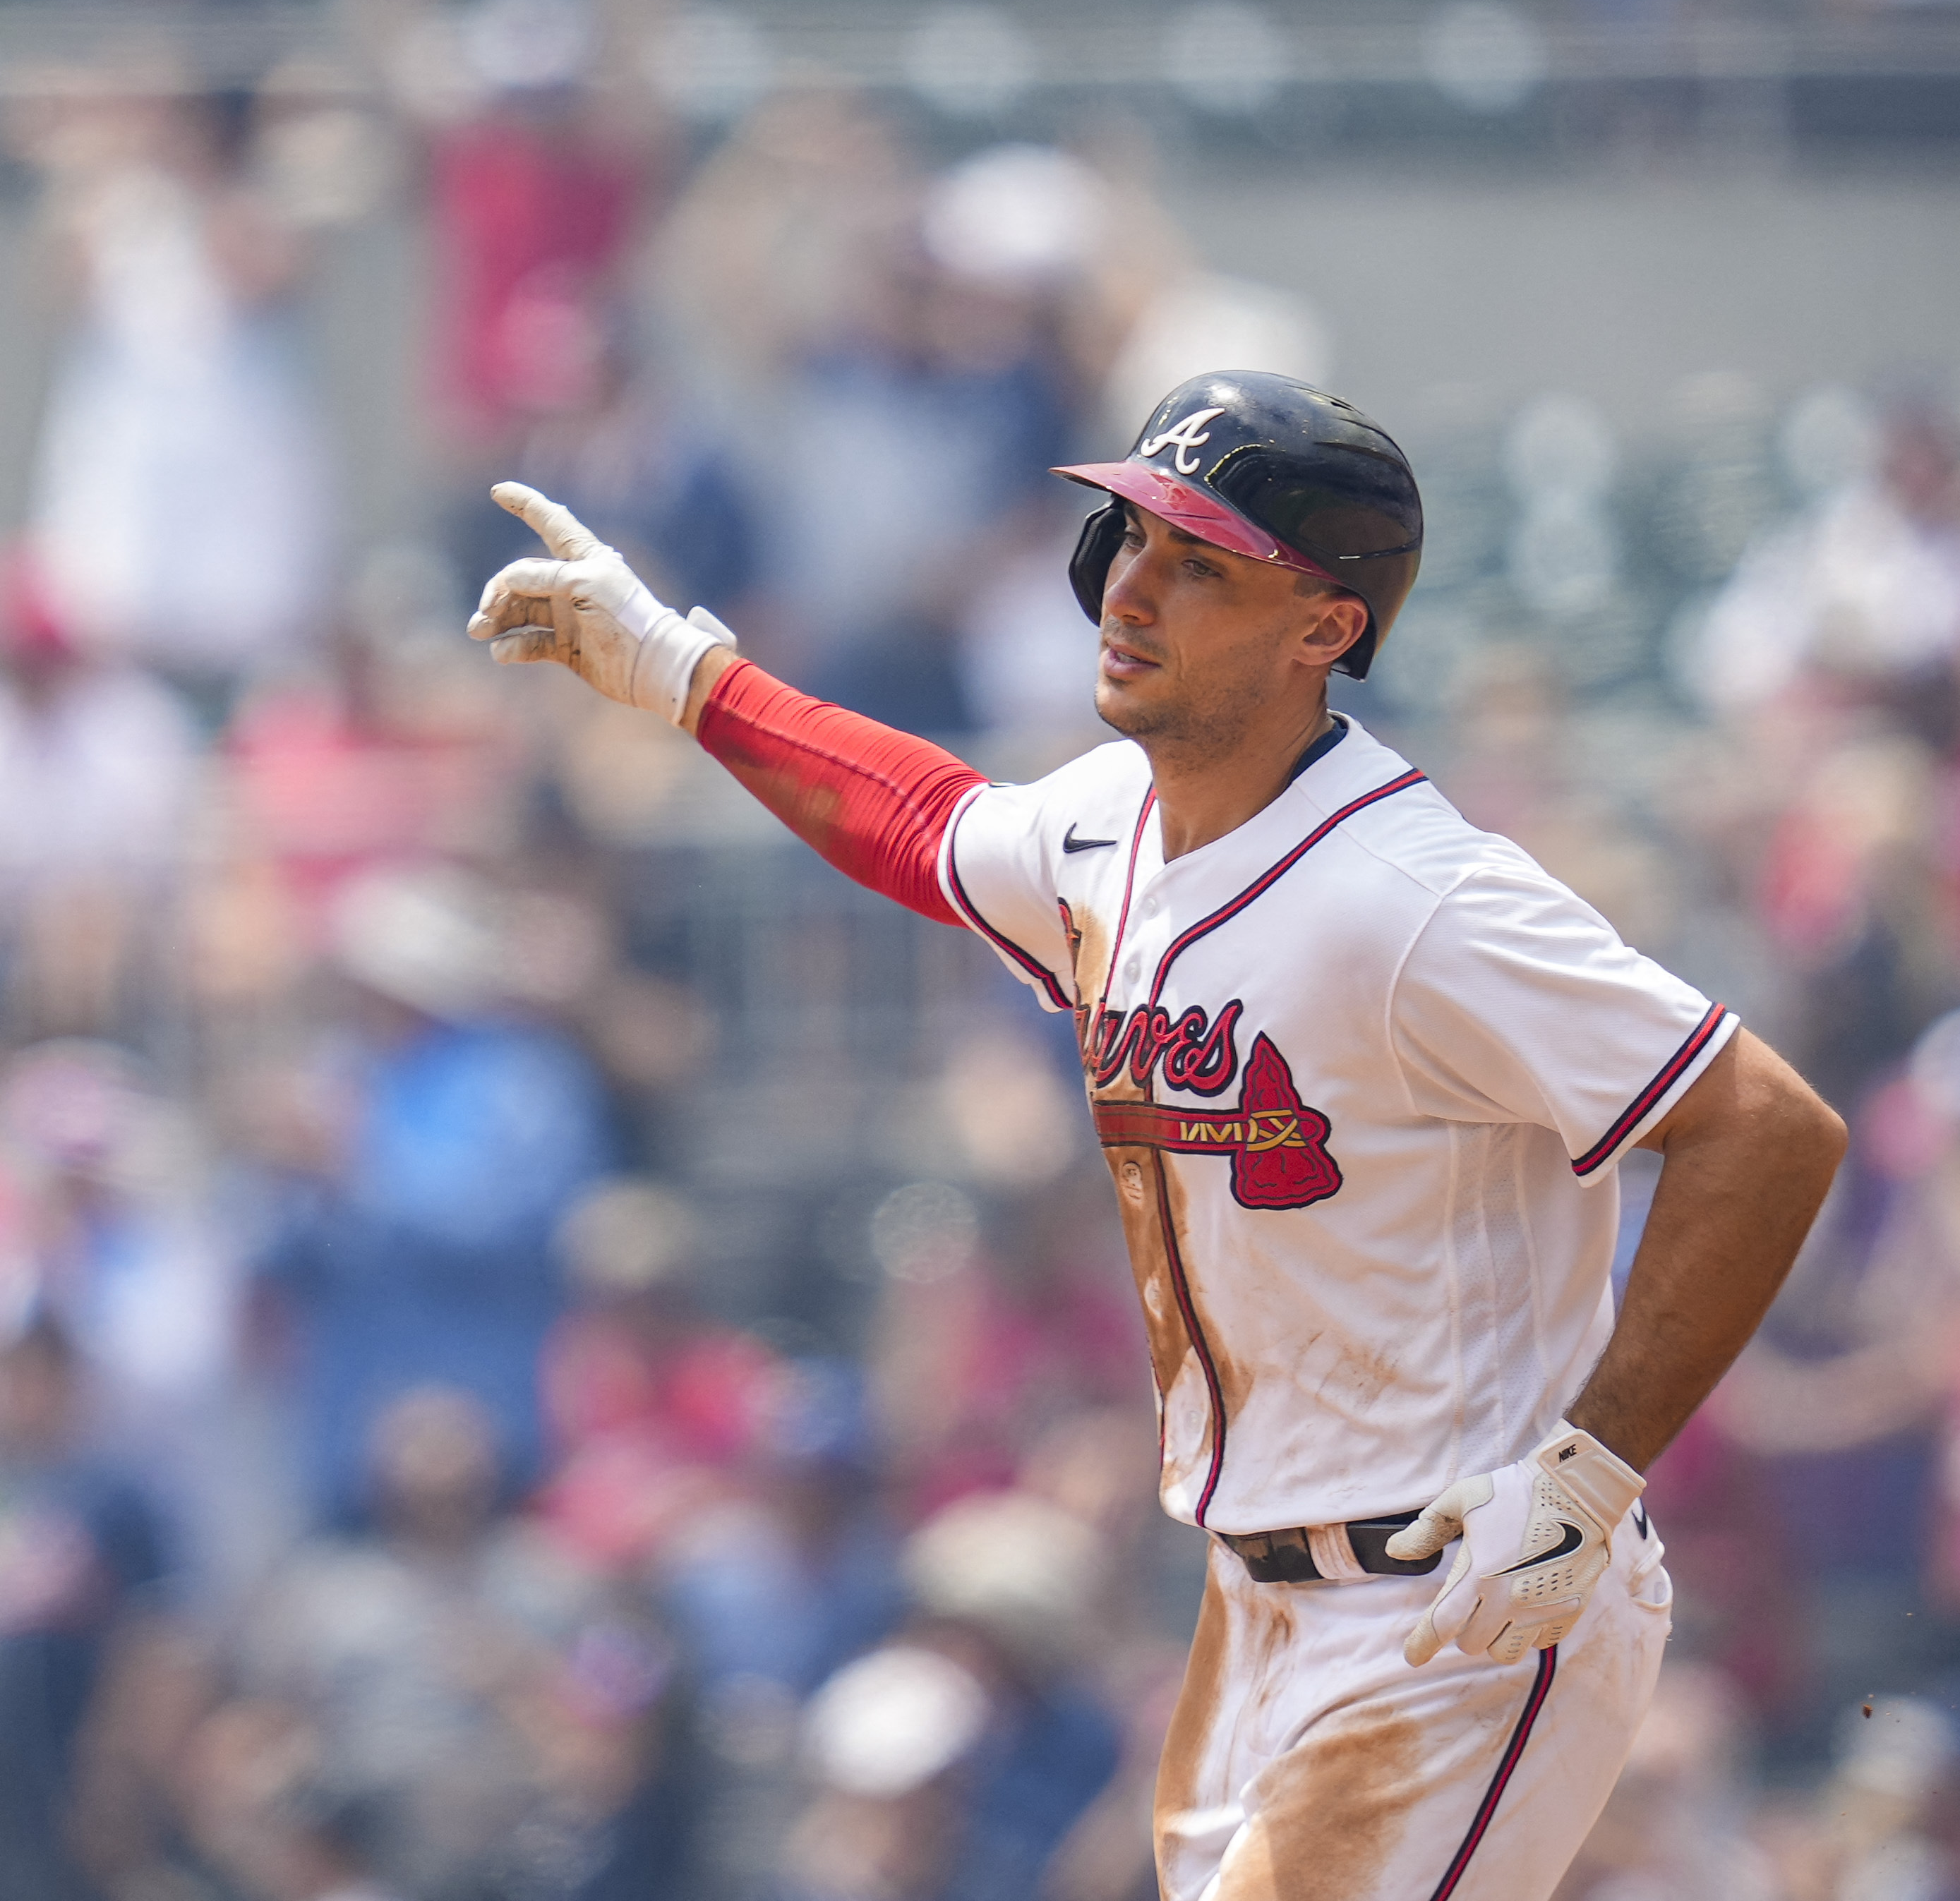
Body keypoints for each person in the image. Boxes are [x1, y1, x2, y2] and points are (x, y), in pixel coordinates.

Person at [467, 368, 1848, 1897]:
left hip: (1454, 1607)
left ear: (1327, 626)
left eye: (1200, 564)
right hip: (1246, 1603)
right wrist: (683, 674)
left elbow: (1764, 1128)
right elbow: (925, 824)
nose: (1133, 589)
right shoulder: (1108, 825)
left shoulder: (1419, 901)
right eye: (1130, 541)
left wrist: (1594, 1471)